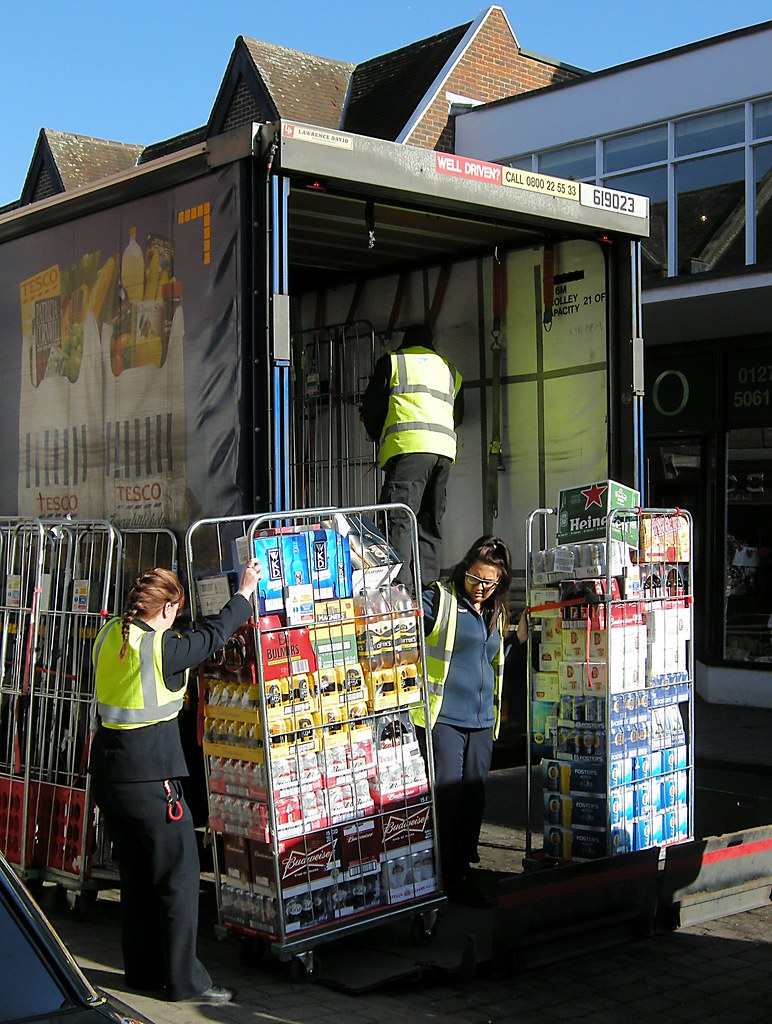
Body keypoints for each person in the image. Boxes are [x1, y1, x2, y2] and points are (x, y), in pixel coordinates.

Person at [89, 561, 260, 1003]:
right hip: (150, 777)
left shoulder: (110, 633)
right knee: (179, 879)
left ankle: (143, 974)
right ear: (167, 610)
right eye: (177, 611)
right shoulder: (163, 648)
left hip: (109, 772)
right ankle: (186, 982)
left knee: (138, 877)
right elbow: (215, 635)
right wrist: (244, 592)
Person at [411, 535, 512, 908]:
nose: (481, 588)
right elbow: (405, 624)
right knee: (447, 801)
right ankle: (445, 878)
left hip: (482, 720)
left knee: (473, 799)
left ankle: (461, 869)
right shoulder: (440, 598)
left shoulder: (494, 610)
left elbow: (491, 658)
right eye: (475, 578)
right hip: (444, 718)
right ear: (464, 568)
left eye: (490, 582)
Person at [361, 323, 463, 586]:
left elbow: (372, 408)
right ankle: (428, 594)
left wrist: (374, 431)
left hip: (409, 449)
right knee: (429, 524)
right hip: (443, 454)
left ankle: (401, 594)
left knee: (400, 519)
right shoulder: (449, 369)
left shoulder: (394, 362)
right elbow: (458, 415)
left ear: (405, 341)